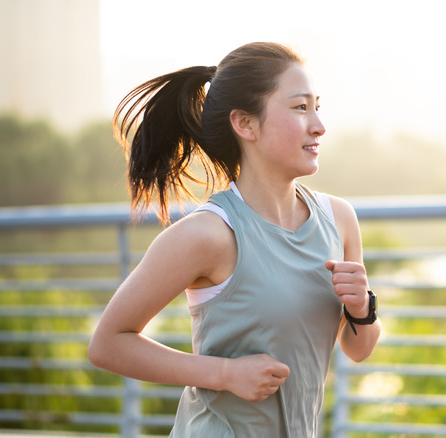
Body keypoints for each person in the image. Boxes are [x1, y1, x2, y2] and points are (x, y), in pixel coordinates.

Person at [87, 42, 381, 437]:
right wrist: (224, 373)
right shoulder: (208, 233)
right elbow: (107, 343)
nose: (318, 125)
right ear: (245, 124)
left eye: (317, 106)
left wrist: (363, 308)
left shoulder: (338, 219)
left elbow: (357, 348)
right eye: (299, 108)